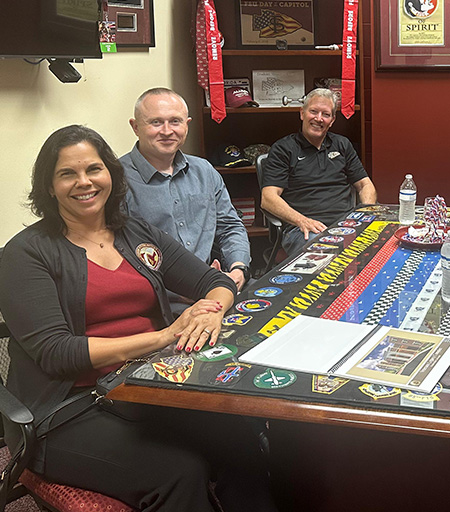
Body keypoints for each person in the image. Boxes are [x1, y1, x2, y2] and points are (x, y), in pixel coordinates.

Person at [0, 125, 276, 511]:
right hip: (67, 411)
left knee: (241, 440)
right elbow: (57, 352)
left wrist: (212, 312)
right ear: (49, 185)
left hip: (147, 387)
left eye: (93, 169)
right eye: (67, 173)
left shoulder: (134, 233)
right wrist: (165, 337)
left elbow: (214, 281)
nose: (84, 182)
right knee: (179, 472)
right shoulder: (25, 254)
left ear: (111, 174)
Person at [121, 88, 251, 296]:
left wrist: (238, 269)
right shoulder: (116, 180)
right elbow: (115, 254)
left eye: (175, 121)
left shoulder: (204, 171)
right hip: (157, 298)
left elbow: (230, 227)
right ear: (135, 127)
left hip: (214, 287)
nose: (167, 131)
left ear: (186, 124)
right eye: (156, 122)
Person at [261, 87, 377, 257]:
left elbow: (365, 185)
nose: (319, 118)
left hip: (345, 226)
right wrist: (302, 221)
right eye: (313, 111)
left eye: (326, 114)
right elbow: (268, 198)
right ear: (302, 113)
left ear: (332, 120)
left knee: (385, 246)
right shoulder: (283, 149)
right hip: (303, 229)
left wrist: (365, 214)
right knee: (330, 256)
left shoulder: (342, 145)